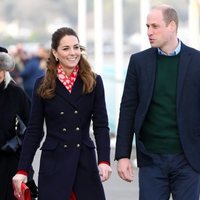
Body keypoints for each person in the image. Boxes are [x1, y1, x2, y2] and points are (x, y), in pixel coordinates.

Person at [12, 27, 112, 200]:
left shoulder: (94, 81)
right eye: (66, 48)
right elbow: (34, 130)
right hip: (54, 164)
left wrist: (104, 160)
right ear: (55, 53)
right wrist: (22, 169)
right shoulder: (42, 85)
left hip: (84, 162)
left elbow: (101, 125)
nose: (73, 53)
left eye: (76, 47)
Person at [115, 4, 200, 200]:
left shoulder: (197, 61)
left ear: (172, 26)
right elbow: (128, 108)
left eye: (155, 26)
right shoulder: (139, 62)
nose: (149, 32)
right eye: (147, 27)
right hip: (151, 159)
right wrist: (123, 155)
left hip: (188, 159)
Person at [0, 46, 37, 199]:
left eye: (2, 68)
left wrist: (18, 144)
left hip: (9, 164)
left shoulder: (16, 94)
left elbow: (34, 128)